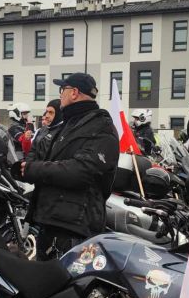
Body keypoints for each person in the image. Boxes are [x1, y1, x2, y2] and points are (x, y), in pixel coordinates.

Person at [22, 73, 118, 259]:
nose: (60, 95)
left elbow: (80, 171)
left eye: (62, 90)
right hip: (53, 221)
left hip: (74, 228)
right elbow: (49, 158)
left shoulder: (101, 127)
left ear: (74, 92)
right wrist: (26, 169)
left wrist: (34, 169)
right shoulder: (70, 124)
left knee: (64, 286)